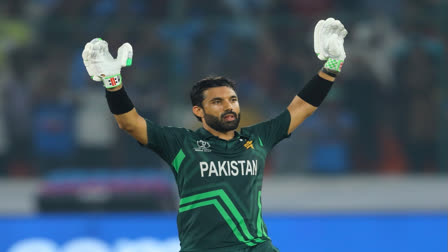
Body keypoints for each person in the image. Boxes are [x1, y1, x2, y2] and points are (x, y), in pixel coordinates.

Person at [82, 17, 347, 252]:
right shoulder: (181, 144)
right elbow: (130, 123)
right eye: (218, 102)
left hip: (255, 247)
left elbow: (301, 108)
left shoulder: (258, 138)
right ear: (199, 110)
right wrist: (113, 82)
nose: (229, 106)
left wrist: (333, 64)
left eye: (232, 99)